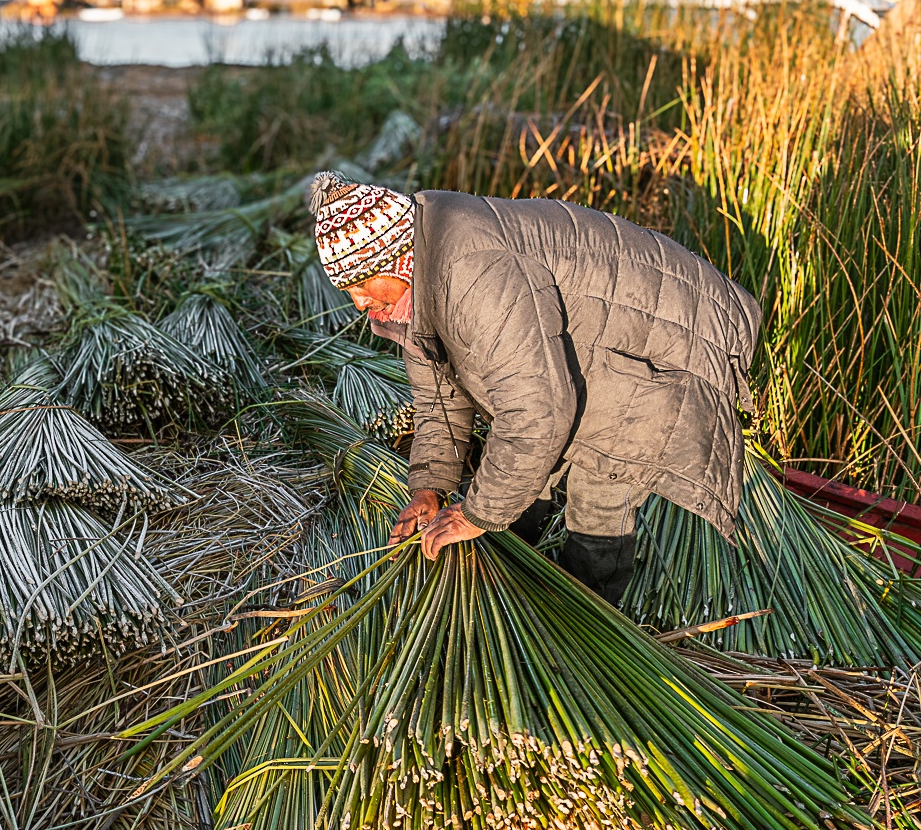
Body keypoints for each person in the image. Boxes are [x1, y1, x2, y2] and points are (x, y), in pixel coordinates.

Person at [308, 171, 761, 605]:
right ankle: (518, 589)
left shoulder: (473, 274)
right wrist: (429, 485)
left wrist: (478, 513)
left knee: (597, 507)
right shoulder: (419, 271)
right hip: (575, 357)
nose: (358, 301)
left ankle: (590, 637)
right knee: (515, 493)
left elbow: (536, 415)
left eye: (361, 283)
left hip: (659, 352)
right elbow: (439, 398)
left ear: (395, 259)